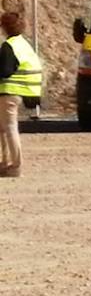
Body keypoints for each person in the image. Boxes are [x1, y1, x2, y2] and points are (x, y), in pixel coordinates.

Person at [0, 11, 44, 177]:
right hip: (21, 92)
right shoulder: (24, 44)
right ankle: (5, 163)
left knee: (9, 128)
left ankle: (15, 165)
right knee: (3, 128)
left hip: (9, 92)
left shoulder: (9, 46)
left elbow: (5, 70)